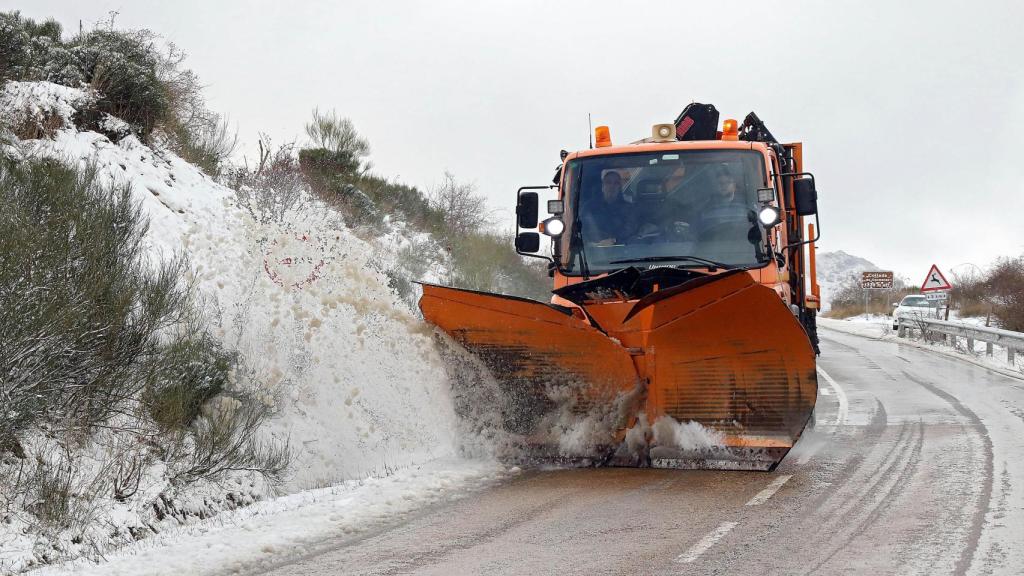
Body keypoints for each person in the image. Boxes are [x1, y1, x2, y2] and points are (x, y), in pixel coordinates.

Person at [581, 170, 637, 245]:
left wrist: (614, 240)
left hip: (624, 249)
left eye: (616, 183)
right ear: (602, 186)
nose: (612, 186)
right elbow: (583, 232)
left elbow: (631, 232)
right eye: (608, 182)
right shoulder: (589, 208)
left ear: (619, 187)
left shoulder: (629, 208)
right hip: (594, 252)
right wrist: (596, 243)